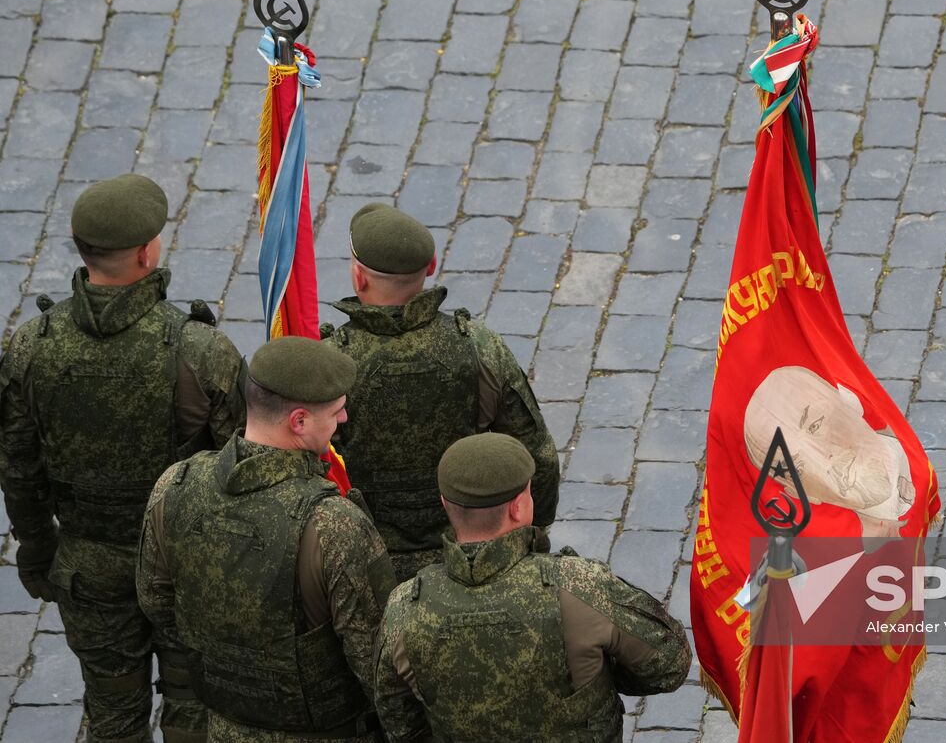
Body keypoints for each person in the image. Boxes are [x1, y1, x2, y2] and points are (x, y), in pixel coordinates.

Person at [0, 173, 246, 743]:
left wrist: (37, 549)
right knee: (195, 711)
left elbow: (18, 465)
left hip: (87, 566)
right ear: (145, 252)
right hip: (188, 566)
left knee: (112, 713)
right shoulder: (198, 349)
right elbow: (242, 466)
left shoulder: (32, 347)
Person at [137, 336, 396, 742]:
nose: (343, 421)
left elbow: (155, 601)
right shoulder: (333, 523)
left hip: (224, 725)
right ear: (299, 421)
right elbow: (378, 665)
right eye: (336, 412)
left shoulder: (175, 485)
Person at [373, 433, 692, 742]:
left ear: (445, 504)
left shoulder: (404, 607)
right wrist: (598, 675)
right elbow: (669, 662)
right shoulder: (577, 585)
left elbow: (397, 718)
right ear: (517, 507)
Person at [323, 203, 560, 581]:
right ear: (431, 268)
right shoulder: (478, 347)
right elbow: (539, 456)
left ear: (359, 278)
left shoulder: (331, 363)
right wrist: (533, 535)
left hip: (367, 558)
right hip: (470, 554)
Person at [744, 365, 915, 536]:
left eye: (815, 426)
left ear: (846, 403)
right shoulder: (855, 552)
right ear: (803, 494)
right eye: (799, 466)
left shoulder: (897, 451)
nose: (825, 459)